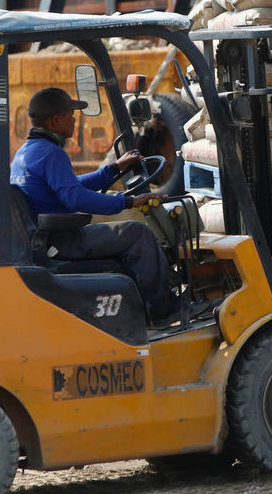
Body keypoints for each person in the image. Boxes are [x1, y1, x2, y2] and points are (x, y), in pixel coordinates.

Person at [11, 87, 177, 323]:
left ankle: (138, 303)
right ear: (55, 120)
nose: (74, 119)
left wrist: (112, 170)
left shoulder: (26, 153)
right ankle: (162, 311)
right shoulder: (51, 154)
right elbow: (75, 198)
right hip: (63, 241)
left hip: (45, 240)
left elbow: (69, 186)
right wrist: (127, 201)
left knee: (128, 233)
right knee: (138, 233)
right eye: (70, 114)